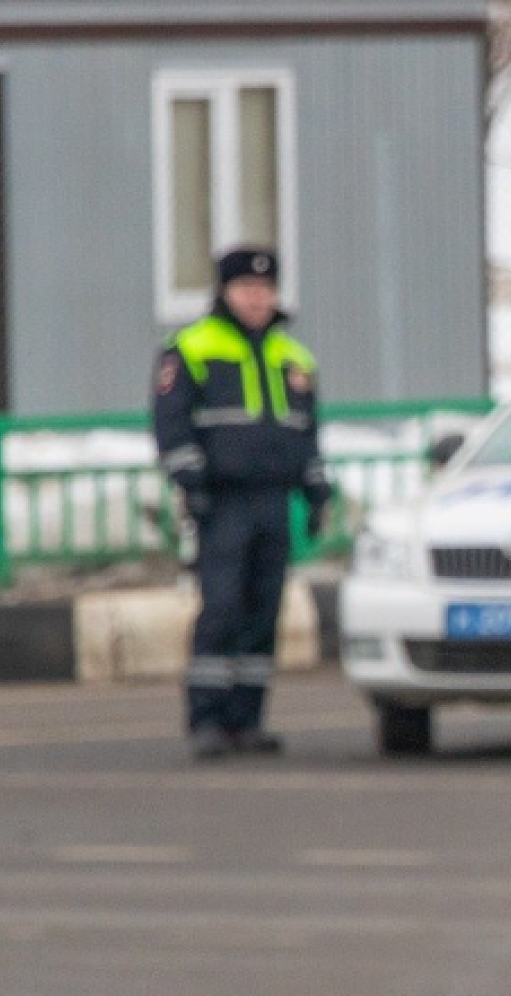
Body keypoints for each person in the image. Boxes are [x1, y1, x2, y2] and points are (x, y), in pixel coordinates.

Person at [153, 248, 330, 760]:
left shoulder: (294, 358)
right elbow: (171, 422)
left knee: (262, 612)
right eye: (247, 289)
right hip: (223, 502)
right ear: (225, 292)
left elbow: (307, 434)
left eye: (266, 289)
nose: (257, 298)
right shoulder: (191, 347)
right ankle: (206, 719)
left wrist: (316, 490)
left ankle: (247, 721)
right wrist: (191, 481)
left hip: (274, 501)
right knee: (222, 608)